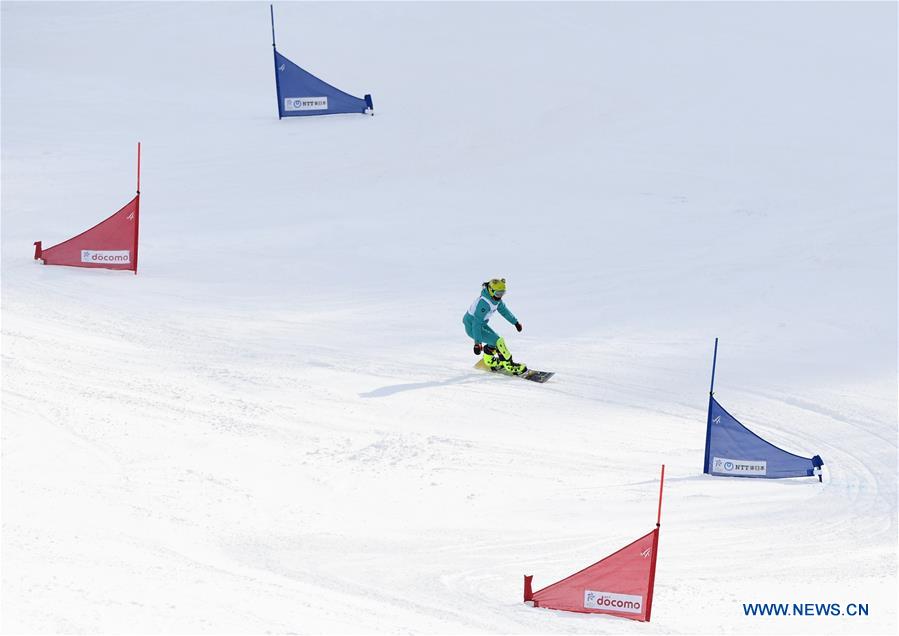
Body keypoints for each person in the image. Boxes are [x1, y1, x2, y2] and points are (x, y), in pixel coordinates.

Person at [462, 278, 526, 375]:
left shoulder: (496, 300)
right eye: (498, 294)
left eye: (502, 293)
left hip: (480, 324)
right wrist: (477, 343)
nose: (499, 296)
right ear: (491, 291)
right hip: (473, 327)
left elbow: (504, 311)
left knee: (494, 339)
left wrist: (515, 322)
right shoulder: (484, 303)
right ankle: (510, 365)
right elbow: (476, 323)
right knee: (498, 341)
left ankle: (489, 360)